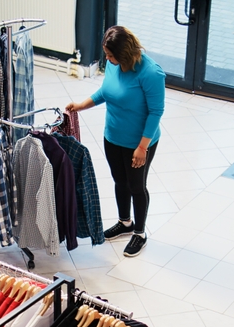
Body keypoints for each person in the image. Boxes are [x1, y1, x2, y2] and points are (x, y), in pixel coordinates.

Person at [65, 25, 165, 257]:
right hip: (113, 136)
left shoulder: (151, 73)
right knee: (120, 181)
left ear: (124, 53)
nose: (107, 59)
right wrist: (81, 105)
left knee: (136, 186)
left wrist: (142, 147)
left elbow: (156, 112)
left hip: (139, 143)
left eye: (111, 55)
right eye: (107, 55)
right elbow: (105, 92)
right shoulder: (113, 64)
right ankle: (125, 223)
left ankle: (139, 233)